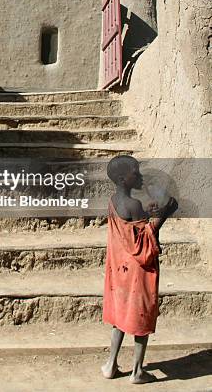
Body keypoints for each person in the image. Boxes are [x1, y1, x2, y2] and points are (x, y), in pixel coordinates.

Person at [101, 155, 178, 384]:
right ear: (124, 179)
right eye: (136, 172)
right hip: (138, 272)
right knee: (140, 319)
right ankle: (137, 371)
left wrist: (151, 213)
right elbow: (145, 239)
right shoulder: (134, 205)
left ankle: (111, 364)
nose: (140, 176)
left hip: (121, 269)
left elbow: (133, 226)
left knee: (121, 318)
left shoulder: (114, 201)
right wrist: (165, 212)